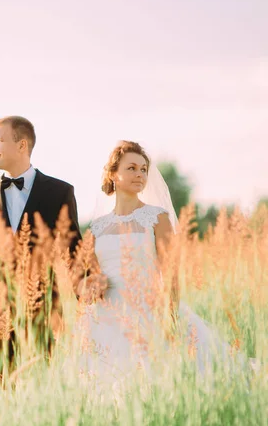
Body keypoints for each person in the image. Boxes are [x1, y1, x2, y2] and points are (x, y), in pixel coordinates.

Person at [78, 140, 252, 379]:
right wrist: (90, 284)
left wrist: (170, 316)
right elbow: (86, 276)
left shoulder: (157, 218)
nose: (140, 174)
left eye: (143, 169)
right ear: (113, 174)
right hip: (107, 315)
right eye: (131, 168)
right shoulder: (97, 227)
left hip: (148, 311)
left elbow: (170, 271)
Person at [0, 115, 88, 367]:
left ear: (22, 145)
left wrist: (88, 297)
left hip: (41, 311)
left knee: (37, 388)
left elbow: (73, 250)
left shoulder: (60, 192)